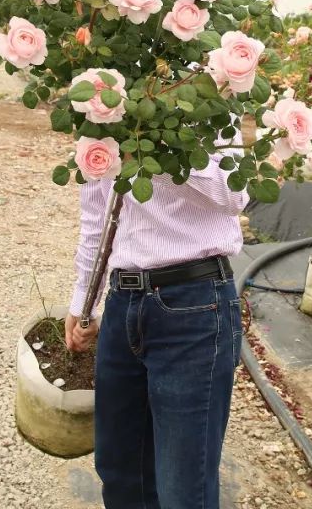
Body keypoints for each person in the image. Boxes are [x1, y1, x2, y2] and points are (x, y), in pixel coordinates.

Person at [64, 135, 248, 509]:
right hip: (123, 300)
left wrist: (157, 145)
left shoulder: (210, 95)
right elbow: (96, 218)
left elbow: (234, 194)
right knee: (121, 472)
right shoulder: (104, 106)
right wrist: (86, 300)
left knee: (184, 486)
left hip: (195, 305)